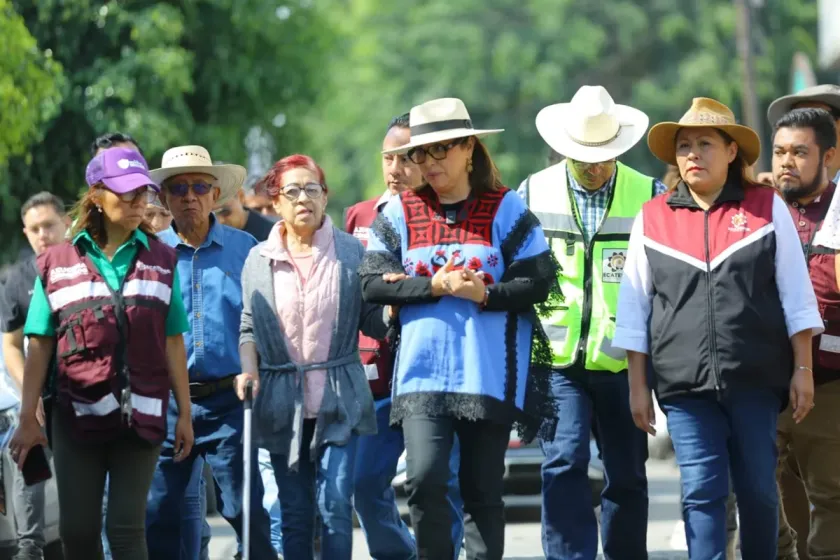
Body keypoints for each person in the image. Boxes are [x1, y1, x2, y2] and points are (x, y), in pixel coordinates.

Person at [615, 97, 823, 559]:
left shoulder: (766, 207)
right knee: (702, 493)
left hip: (756, 383)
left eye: (704, 143)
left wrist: (803, 369)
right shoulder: (653, 217)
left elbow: (796, 294)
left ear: (732, 152)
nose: (692, 154)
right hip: (684, 389)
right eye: (684, 145)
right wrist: (637, 386)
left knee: (759, 494)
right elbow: (634, 306)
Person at [360, 97, 558, 559]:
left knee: (482, 492)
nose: (428, 163)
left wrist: (485, 294)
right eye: (420, 153)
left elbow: (540, 282)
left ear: (469, 148)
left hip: (487, 373)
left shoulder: (506, 208)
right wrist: (433, 285)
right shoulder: (397, 214)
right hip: (421, 376)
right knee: (424, 480)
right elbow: (370, 285)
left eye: (441, 150)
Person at [8, 147, 194, 560]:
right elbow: (39, 342)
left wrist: (184, 412)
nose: (138, 203)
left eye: (142, 194)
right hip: (75, 416)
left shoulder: (163, 259)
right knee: (78, 532)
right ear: (96, 195)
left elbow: (173, 339)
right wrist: (27, 418)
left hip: (143, 414)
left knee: (126, 530)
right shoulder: (56, 263)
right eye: (126, 194)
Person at [518, 85, 662, 560]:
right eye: (584, 158)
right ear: (564, 149)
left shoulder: (649, 194)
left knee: (627, 474)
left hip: (624, 361)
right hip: (555, 361)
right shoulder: (532, 193)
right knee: (563, 462)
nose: (594, 167)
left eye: (604, 157)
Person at [234, 153, 389, 560]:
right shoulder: (258, 258)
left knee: (336, 505)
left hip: (339, 396)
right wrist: (248, 369)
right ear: (277, 202)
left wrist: (394, 308)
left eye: (312, 189)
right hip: (282, 402)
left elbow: (371, 318)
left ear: (325, 196)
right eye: (293, 191)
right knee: (295, 513)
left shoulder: (352, 252)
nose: (304, 198)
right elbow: (249, 325)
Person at [145, 146, 275, 559]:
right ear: (164, 197)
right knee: (159, 518)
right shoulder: (149, 255)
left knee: (248, 515)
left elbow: (267, 323)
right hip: (166, 404)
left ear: (215, 193)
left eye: (200, 186)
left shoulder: (248, 248)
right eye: (178, 187)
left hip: (231, 401)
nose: (189, 196)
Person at [345, 114, 464, 559]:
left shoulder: (452, 214)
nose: (394, 168)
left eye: (405, 158)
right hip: (377, 376)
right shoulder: (358, 217)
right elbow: (358, 296)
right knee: (364, 483)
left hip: (436, 373)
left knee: (438, 481)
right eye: (387, 157)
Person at [770, 107, 840, 560]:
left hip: (831, 381)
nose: (786, 163)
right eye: (778, 152)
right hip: (763, 380)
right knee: (755, 488)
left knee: (832, 498)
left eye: (799, 152)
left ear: (829, 156)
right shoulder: (752, 207)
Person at [0, 192, 68, 560]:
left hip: (80, 391)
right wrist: (30, 394)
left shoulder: (85, 264)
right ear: (25, 233)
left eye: (49, 225)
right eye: (34, 228)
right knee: (24, 452)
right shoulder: (16, 278)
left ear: (67, 224)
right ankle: (30, 545)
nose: (42, 234)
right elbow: (11, 344)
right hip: (37, 396)